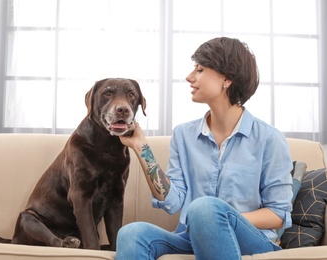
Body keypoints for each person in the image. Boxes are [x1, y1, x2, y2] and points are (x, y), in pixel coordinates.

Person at [115, 37, 293, 260]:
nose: (189, 77)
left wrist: (218, 218)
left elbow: (278, 214)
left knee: (204, 209)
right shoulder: (183, 135)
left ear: (227, 79)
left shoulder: (269, 139)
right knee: (132, 234)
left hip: (250, 239)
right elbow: (173, 201)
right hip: (191, 237)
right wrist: (141, 147)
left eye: (199, 70)